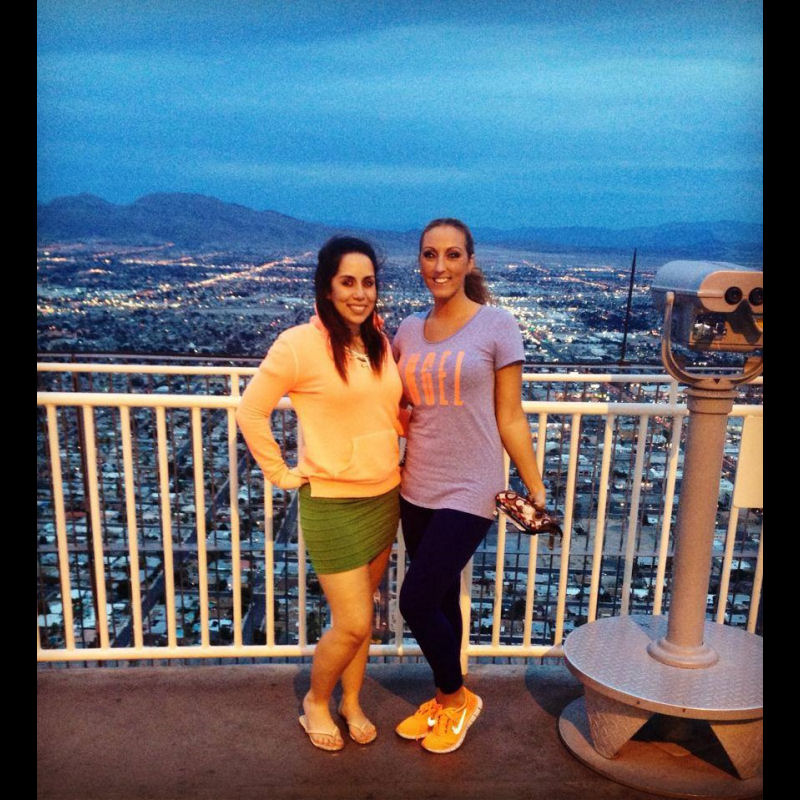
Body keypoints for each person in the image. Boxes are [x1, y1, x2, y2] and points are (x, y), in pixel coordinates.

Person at [236, 236, 404, 752]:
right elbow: (251, 411)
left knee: (363, 617)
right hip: (331, 502)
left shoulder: (377, 341)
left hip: (384, 496)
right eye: (347, 282)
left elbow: (385, 412)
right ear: (327, 288)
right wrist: (281, 473)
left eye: (368, 282)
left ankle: (351, 702)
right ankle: (316, 701)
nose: (360, 293)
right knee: (352, 622)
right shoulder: (298, 345)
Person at [391, 217, 547, 754]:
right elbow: (395, 401)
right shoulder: (407, 331)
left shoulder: (497, 325)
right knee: (440, 597)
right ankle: (444, 698)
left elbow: (510, 415)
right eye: (430, 254)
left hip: (473, 486)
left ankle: (458, 699)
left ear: (470, 261)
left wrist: (533, 483)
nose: (440, 266)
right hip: (416, 483)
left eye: (452, 255)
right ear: (420, 261)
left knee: (415, 600)